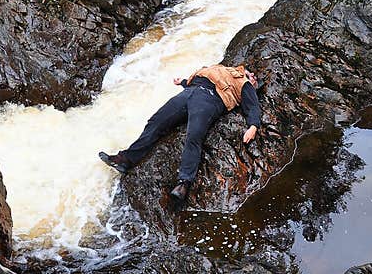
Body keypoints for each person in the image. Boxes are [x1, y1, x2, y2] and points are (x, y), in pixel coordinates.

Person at [99, 63, 262, 201]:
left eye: (255, 79)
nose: (253, 77)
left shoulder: (245, 84)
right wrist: (184, 81)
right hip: (190, 91)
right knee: (156, 122)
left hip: (210, 99)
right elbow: (204, 77)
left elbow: (253, 107)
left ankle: (184, 183)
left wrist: (253, 126)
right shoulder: (224, 68)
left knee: (194, 135)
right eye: (252, 74)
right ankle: (125, 160)